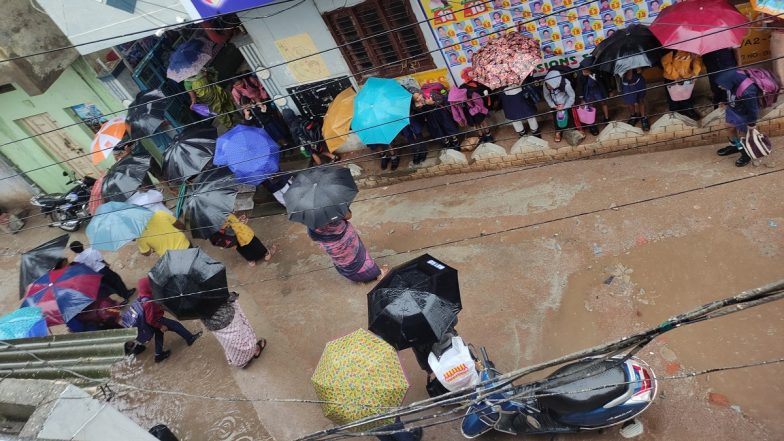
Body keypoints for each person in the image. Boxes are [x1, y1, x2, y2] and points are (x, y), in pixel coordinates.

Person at [307, 209, 387, 283]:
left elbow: (313, 237)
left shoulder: (309, 217)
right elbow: (348, 215)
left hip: (333, 248)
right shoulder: (334, 207)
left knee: (344, 259)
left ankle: (355, 276)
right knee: (357, 256)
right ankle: (376, 274)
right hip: (346, 239)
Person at [137, 277, 201, 363]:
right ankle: (190, 338)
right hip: (157, 320)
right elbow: (150, 319)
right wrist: (160, 326)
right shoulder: (148, 303)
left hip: (154, 320)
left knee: (159, 335)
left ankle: (158, 355)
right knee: (176, 325)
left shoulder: (143, 295)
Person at [199, 292, 266, 368]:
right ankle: (252, 351)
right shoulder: (206, 284)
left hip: (210, 322)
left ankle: (240, 361)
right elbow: (228, 296)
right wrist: (233, 294)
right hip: (226, 316)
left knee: (228, 342)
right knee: (241, 336)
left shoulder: (186, 293)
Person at [714, 70, 761, 167]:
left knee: (743, 135)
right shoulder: (731, 82)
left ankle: (746, 154)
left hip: (744, 114)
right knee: (729, 127)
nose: (720, 87)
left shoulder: (748, 92)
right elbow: (727, 92)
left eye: (722, 84)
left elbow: (753, 109)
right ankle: (734, 146)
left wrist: (751, 124)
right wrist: (725, 101)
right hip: (733, 108)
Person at [69, 241, 134, 301]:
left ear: (74, 251)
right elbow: (101, 259)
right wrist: (107, 264)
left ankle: (122, 295)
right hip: (103, 269)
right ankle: (126, 294)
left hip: (95, 275)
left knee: (109, 285)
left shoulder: (77, 260)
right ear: (82, 245)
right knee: (116, 280)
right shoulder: (92, 250)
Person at [409, 86, 461, 151]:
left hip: (441, 114)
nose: (419, 98)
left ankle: (455, 140)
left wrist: (432, 103)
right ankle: (447, 142)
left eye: (419, 95)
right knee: (439, 131)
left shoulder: (429, 94)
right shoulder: (415, 105)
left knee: (448, 127)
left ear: (420, 92)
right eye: (416, 98)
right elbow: (421, 114)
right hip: (431, 118)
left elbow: (441, 100)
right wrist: (418, 108)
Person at [578, 58, 611, 135]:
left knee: (603, 103)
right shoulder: (581, 73)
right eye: (584, 68)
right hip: (588, 91)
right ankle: (592, 125)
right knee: (589, 106)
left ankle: (606, 118)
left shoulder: (597, 71)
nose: (585, 69)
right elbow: (580, 85)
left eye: (587, 68)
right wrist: (582, 98)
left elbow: (603, 80)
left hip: (598, 89)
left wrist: (590, 74)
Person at [459, 68, 493, 143]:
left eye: (472, 72)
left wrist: (486, 93)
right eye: (470, 73)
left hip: (480, 107)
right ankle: (481, 136)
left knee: (483, 121)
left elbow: (484, 91)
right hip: (470, 109)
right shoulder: (462, 87)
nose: (473, 74)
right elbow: (461, 98)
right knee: (475, 124)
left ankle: (488, 135)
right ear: (466, 75)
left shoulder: (478, 83)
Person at [543, 68, 576, 143]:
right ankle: (558, 132)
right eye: (547, 84)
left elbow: (572, 96)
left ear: (556, 83)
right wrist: (553, 105)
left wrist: (565, 106)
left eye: (550, 85)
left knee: (569, 116)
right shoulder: (546, 84)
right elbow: (546, 95)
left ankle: (571, 130)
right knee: (556, 118)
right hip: (555, 105)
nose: (548, 87)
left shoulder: (566, 84)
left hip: (566, 103)